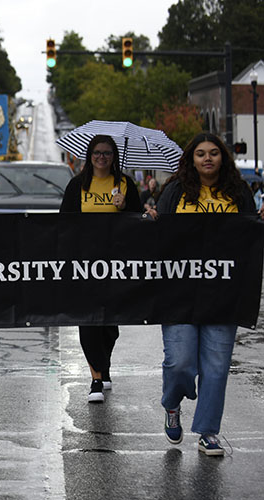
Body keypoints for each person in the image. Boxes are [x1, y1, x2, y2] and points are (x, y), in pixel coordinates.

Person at [148, 133, 258, 457]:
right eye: (200, 154)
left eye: (213, 153)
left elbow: (250, 234)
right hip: (179, 292)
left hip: (223, 293)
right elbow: (159, 236)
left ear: (223, 158)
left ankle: (208, 431)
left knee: (216, 366)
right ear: (191, 159)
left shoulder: (238, 192)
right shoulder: (175, 191)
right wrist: (151, 220)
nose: (207, 158)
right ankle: (172, 404)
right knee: (180, 362)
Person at [59, 134, 141, 404]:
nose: (101, 157)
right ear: (89, 155)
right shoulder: (77, 185)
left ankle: (103, 365)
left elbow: (138, 222)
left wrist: (125, 206)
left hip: (116, 264)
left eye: (107, 153)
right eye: (96, 152)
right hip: (85, 264)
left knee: (109, 325)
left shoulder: (125, 184)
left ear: (114, 156)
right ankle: (95, 377)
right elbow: (65, 224)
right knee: (88, 320)